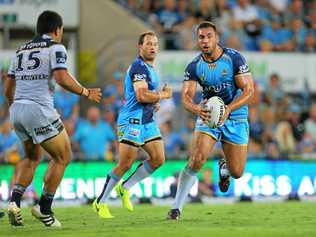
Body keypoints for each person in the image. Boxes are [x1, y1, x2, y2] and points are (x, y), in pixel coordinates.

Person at [4, 10, 101, 227]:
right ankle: (44, 208)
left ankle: (14, 201)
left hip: (17, 110)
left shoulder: (19, 51)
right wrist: (86, 92)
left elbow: (8, 87)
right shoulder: (56, 47)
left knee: (32, 157)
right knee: (63, 156)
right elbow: (61, 76)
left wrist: (15, 108)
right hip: (39, 109)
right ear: (57, 30)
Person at [167, 21, 254, 220]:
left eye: (209, 36)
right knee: (196, 159)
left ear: (217, 38)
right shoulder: (194, 66)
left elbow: (249, 91)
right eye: (201, 37)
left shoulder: (234, 59)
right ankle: (176, 207)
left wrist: (229, 108)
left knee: (238, 172)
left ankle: (225, 169)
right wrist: (198, 108)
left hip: (236, 116)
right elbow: (186, 97)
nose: (205, 41)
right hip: (209, 113)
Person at [93, 31, 172, 219]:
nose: (152, 46)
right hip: (132, 120)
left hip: (147, 120)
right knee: (125, 163)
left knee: (158, 159)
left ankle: (125, 187)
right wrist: (163, 95)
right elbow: (141, 95)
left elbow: (147, 96)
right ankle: (100, 202)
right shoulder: (139, 67)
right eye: (148, 43)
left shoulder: (150, 68)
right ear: (140, 47)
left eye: (155, 43)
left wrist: (155, 101)